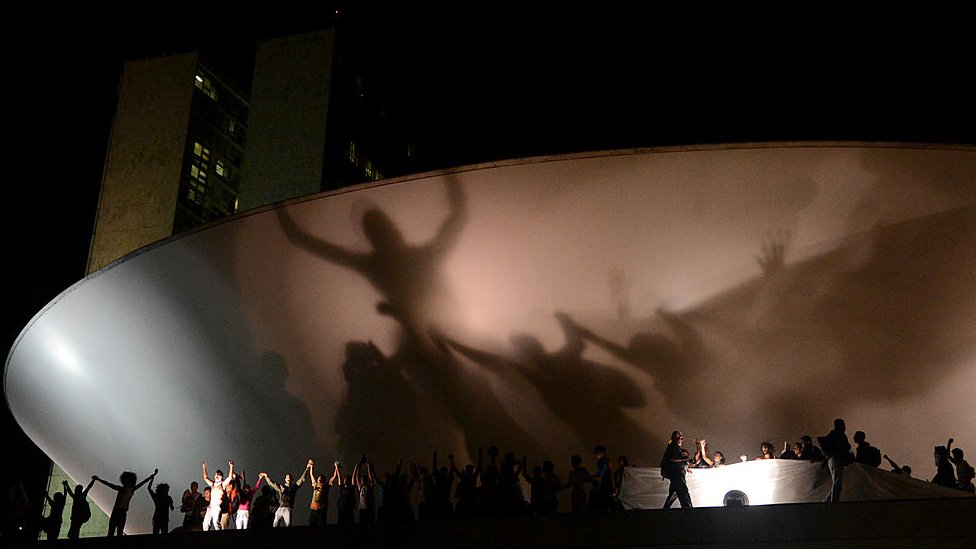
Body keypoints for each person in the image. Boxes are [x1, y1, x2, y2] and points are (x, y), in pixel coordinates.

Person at [94, 468, 157, 536]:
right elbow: (109, 484)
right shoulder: (125, 489)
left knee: (118, 531)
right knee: (113, 531)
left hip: (121, 512)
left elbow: (143, 482)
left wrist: (152, 475)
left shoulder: (128, 489)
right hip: (118, 511)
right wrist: (98, 479)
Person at [260, 459, 311, 527]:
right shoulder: (281, 487)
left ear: (291, 479)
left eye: (290, 477)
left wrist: (307, 469)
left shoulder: (294, 487)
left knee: (288, 525)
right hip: (280, 508)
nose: (289, 478)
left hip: (287, 509)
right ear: (285, 479)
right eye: (287, 477)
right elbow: (272, 484)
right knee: (275, 524)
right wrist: (266, 476)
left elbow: (302, 479)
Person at [818, 419, 851, 503]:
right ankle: (833, 502)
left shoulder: (835, 434)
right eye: (843, 424)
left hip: (834, 459)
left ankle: (828, 501)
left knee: (837, 482)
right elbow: (846, 446)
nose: (844, 426)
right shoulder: (838, 434)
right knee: (837, 482)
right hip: (836, 459)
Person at [661, 431, 693, 508]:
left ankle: (664, 511)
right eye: (679, 438)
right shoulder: (672, 447)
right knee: (683, 491)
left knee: (674, 492)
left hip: (677, 473)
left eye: (681, 438)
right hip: (677, 473)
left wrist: (685, 465)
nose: (681, 440)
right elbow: (671, 458)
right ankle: (688, 510)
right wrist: (683, 460)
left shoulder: (676, 447)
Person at [201, 461, 235, 531]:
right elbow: (205, 478)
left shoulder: (223, 484)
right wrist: (204, 468)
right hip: (211, 506)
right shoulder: (213, 484)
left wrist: (231, 466)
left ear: (221, 476)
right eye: (216, 474)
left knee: (215, 523)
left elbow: (230, 477)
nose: (217, 475)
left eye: (219, 474)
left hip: (217, 506)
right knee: (205, 523)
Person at [308, 460, 339, 526]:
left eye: (321, 479)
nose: (320, 479)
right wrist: (311, 466)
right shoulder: (315, 485)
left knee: (322, 524)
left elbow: (334, 476)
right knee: (311, 524)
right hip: (313, 509)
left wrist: (336, 467)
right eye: (319, 478)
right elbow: (311, 474)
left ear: (324, 480)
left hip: (321, 510)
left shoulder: (326, 486)